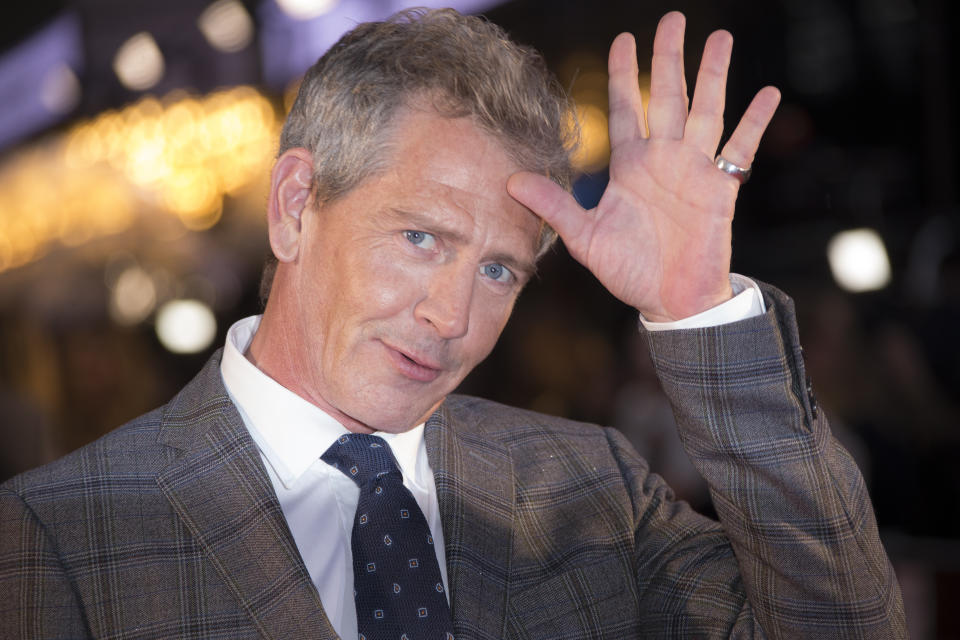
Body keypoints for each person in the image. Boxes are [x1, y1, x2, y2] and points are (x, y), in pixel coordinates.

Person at [0, 8, 905, 639]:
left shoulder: (592, 490)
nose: (453, 317)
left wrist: (698, 310)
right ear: (293, 207)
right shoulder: (60, 533)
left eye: (499, 268)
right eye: (421, 236)